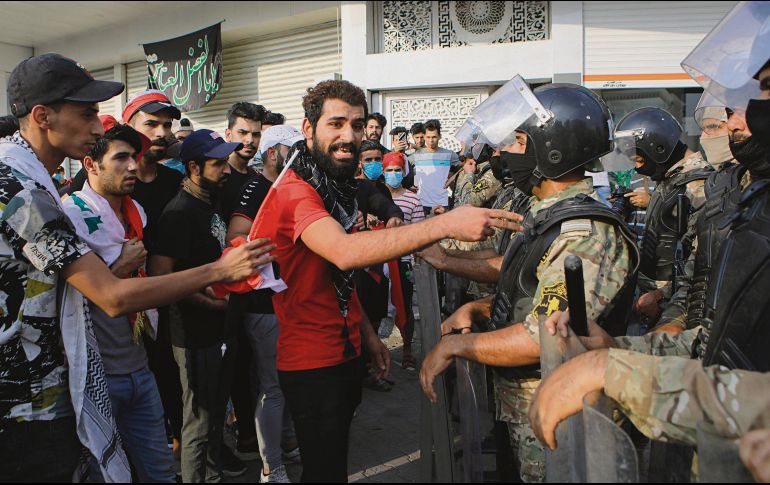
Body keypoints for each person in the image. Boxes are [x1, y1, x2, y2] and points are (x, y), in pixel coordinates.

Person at [0, 53, 274, 483]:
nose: (97, 126)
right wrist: (219, 271)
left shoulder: (30, 181)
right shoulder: (23, 192)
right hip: (25, 403)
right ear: (42, 116)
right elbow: (111, 296)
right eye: (87, 113)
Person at [256, 79, 520, 482]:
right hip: (312, 363)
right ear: (308, 130)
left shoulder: (334, 186)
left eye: (357, 125)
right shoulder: (296, 192)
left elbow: (336, 278)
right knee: (323, 472)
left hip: (343, 350)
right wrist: (444, 224)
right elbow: (344, 252)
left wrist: (369, 336)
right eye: (336, 124)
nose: (349, 137)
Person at [419, 81, 639, 483]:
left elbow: (546, 336)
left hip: (561, 415)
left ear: (552, 149)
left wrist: (456, 345)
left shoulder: (584, 233)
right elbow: (532, 292)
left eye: (517, 141)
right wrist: (479, 307)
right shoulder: (550, 217)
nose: (503, 153)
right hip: (526, 408)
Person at [61, 122, 176, 482]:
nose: (132, 166)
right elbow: (74, 293)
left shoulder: (136, 211)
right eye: (121, 157)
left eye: (135, 156)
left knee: (160, 470)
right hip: (98, 375)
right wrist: (118, 268)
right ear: (90, 164)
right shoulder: (70, 214)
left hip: (139, 366)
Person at [228, 124, 305, 483]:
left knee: (284, 382)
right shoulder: (257, 187)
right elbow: (236, 237)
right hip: (262, 303)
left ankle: (286, 444)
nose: (300, 158)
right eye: (294, 150)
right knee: (272, 386)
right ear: (274, 153)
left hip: (286, 300)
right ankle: (271, 468)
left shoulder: (289, 186)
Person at [614, 108, 712, 329]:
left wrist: (660, 295)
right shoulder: (672, 179)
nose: (638, 167)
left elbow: (701, 260)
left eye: (638, 159)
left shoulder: (697, 187)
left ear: (658, 149)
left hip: (677, 306)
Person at [382, 151, 424, 369]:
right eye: (389, 170)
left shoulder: (413, 199)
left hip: (403, 260)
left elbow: (418, 232)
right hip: (378, 260)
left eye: (397, 170)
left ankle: (407, 349)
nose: (393, 174)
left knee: (405, 307)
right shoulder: (376, 197)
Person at [222, 102, 265, 222]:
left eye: (256, 134)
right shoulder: (218, 175)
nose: (250, 140)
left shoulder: (256, 177)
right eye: (243, 132)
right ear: (228, 135)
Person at [408, 119, 460, 215]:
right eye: (428, 137)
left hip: (442, 203)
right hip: (421, 203)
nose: (431, 140)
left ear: (440, 136)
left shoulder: (449, 155)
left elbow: (464, 165)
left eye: (434, 137)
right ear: (424, 137)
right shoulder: (415, 156)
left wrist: (452, 177)